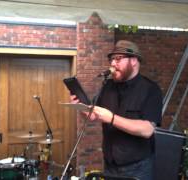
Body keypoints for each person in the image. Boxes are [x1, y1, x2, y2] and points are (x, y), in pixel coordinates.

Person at [70, 40, 163, 180]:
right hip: (110, 165)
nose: (113, 64)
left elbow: (147, 130)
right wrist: (81, 107)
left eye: (118, 59)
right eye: (112, 59)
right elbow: (93, 117)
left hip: (138, 168)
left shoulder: (151, 89)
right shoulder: (108, 86)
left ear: (134, 61)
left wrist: (111, 118)